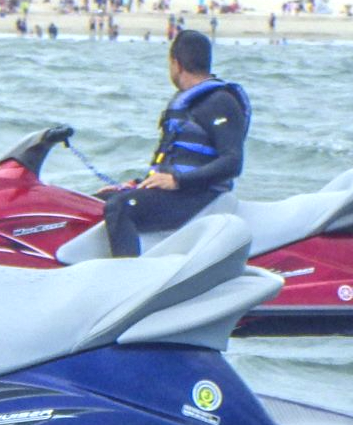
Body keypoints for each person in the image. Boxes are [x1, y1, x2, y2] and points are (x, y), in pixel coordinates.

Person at [100, 29, 249, 258]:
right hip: (178, 191)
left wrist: (177, 181)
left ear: (176, 64)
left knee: (121, 207)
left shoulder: (220, 101)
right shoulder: (187, 102)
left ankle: (129, 275)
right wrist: (137, 184)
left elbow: (232, 162)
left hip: (200, 196)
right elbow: (173, 161)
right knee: (94, 202)